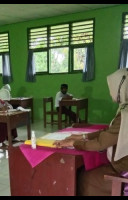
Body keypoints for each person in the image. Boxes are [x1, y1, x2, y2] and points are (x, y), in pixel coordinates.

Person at [53, 68, 128, 196]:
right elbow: (109, 131)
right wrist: (82, 136)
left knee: (82, 178)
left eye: (112, 88)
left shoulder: (125, 114)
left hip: (123, 171)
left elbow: (101, 143)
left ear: (121, 88)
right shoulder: (124, 109)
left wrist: (75, 142)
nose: (110, 92)